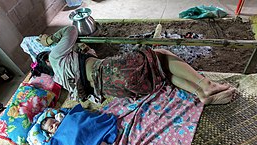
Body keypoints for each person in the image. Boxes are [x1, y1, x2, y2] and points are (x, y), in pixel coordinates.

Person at [36, 25, 235, 105]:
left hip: (117, 89)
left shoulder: (62, 79)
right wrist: (50, 40)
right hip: (112, 72)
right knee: (160, 55)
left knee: (161, 70)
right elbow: (71, 30)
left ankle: (200, 94)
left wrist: (83, 50)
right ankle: (206, 84)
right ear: (47, 61)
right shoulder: (54, 57)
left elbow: (88, 88)